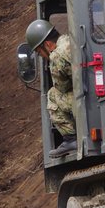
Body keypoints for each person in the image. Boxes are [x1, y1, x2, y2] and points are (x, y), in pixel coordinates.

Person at [26, 19, 75, 158]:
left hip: (86, 98)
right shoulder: (69, 40)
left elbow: (62, 87)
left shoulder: (57, 55)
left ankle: (71, 138)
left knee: (53, 95)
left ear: (47, 44)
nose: (42, 56)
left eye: (39, 52)